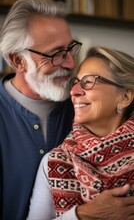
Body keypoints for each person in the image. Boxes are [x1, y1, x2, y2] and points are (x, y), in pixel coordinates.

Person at [0, 0, 83, 220]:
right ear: (18, 61)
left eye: (70, 49)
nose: (70, 64)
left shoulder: (86, 107)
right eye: (56, 54)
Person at [27, 46, 134, 220]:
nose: (74, 91)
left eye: (89, 81)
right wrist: (82, 215)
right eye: (75, 82)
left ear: (125, 97)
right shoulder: (54, 163)